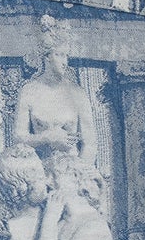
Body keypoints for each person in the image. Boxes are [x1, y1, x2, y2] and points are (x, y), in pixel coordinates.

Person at [13, 18, 98, 165]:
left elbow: (90, 144)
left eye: (66, 56)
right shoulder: (28, 91)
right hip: (38, 169)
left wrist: (80, 172)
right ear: (46, 57)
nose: (65, 62)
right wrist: (46, 137)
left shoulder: (78, 93)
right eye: (59, 55)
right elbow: (18, 139)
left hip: (72, 169)